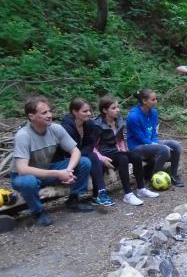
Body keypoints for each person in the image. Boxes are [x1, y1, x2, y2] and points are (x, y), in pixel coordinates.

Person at [10, 96, 93, 227]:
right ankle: (38, 212)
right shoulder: (23, 135)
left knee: (84, 162)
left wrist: (68, 170)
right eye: (44, 113)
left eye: (49, 111)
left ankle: (73, 200)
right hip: (23, 176)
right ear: (31, 116)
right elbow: (22, 169)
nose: (49, 115)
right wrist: (58, 174)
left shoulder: (55, 129)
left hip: (47, 169)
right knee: (29, 181)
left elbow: (75, 151)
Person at [94, 95, 160, 206]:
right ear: (105, 110)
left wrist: (124, 150)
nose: (117, 110)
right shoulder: (97, 125)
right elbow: (93, 147)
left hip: (116, 151)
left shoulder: (118, 121)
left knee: (135, 155)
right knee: (123, 158)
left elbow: (120, 140)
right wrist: (102, 158)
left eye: (117, 107)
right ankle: (128, 194)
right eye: (114, 108)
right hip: (105, 155)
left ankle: (141, 189)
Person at [60, 98, 115, 207]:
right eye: (85, 111)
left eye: (89, 110)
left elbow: (90, 144)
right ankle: (100, 193)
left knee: (95, 159)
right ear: (75, 112)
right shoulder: (66, 127)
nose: (89, 113)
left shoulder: (89, 124)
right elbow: (66, 150)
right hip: (66, 158)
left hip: (82, 154)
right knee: (93, 158)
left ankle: (98, 194)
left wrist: (86, 153)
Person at [126, 89, 184, 187]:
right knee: (164, 149)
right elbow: (140, 137)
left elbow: (153, 132)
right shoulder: (133, 116)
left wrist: (155, 143)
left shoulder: (153, 113)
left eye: (156, 99)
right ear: (144, 101)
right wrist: (155, 145)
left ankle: (174, 175)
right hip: (137, 147)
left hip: (150, 143)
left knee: (176, 145)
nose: (156, 102)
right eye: (153, 100)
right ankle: (154, 179)